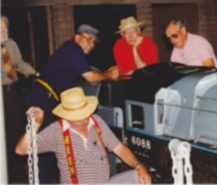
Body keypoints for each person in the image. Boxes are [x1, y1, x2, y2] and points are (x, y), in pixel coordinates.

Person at [25, 24, 120, 183]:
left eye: (93, 42)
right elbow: (90, 77)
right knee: (43, 147)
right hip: (42, 97)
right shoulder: (74, 50)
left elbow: (88, 72)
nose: (91, 44)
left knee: (47, 149)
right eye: (88, 39)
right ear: (77, 38)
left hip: (45, 97)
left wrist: (102, 73)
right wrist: (109, 74)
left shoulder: (70, 51)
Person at [16, 87, 152, 184]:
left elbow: (120, 148)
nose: (83, 119)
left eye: (85, 114)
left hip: (106, 183)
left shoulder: (96, 121)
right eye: (77, 117)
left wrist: (139, 166)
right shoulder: (57, 131)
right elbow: (21, 149)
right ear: (66, 116)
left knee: (137, 177)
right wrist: (36, 124)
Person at [1, 15, 39, 183]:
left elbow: (19, 64)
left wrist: (35, 73)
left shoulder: (11, 44)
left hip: (11, 92)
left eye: (6, 29)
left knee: (16, 131)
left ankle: (18, 174)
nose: (4, 32)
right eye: (0, 30)